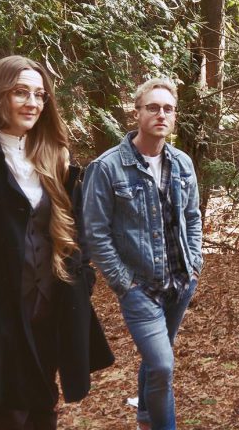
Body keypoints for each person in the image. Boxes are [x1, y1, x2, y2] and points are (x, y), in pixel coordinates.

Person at [0, 55, 114, 429]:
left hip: (52, 304)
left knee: (44, 405)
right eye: (21, 93)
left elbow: (77, 228)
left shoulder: (55, 155)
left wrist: (82, 279)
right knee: (9, 412)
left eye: (40, 95)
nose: (32, 103)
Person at [82, 77, 203, 430]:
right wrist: (124, 283)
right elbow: (95, 232)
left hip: (180, 284)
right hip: (140, 290)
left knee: (156, 359)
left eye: (168, 108)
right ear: (136, 113)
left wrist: (194, 265)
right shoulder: (107, 167)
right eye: (152, 107)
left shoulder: (182, 163)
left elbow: (193, 218)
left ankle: (146, 418)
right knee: (163, 365)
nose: (160, 114)